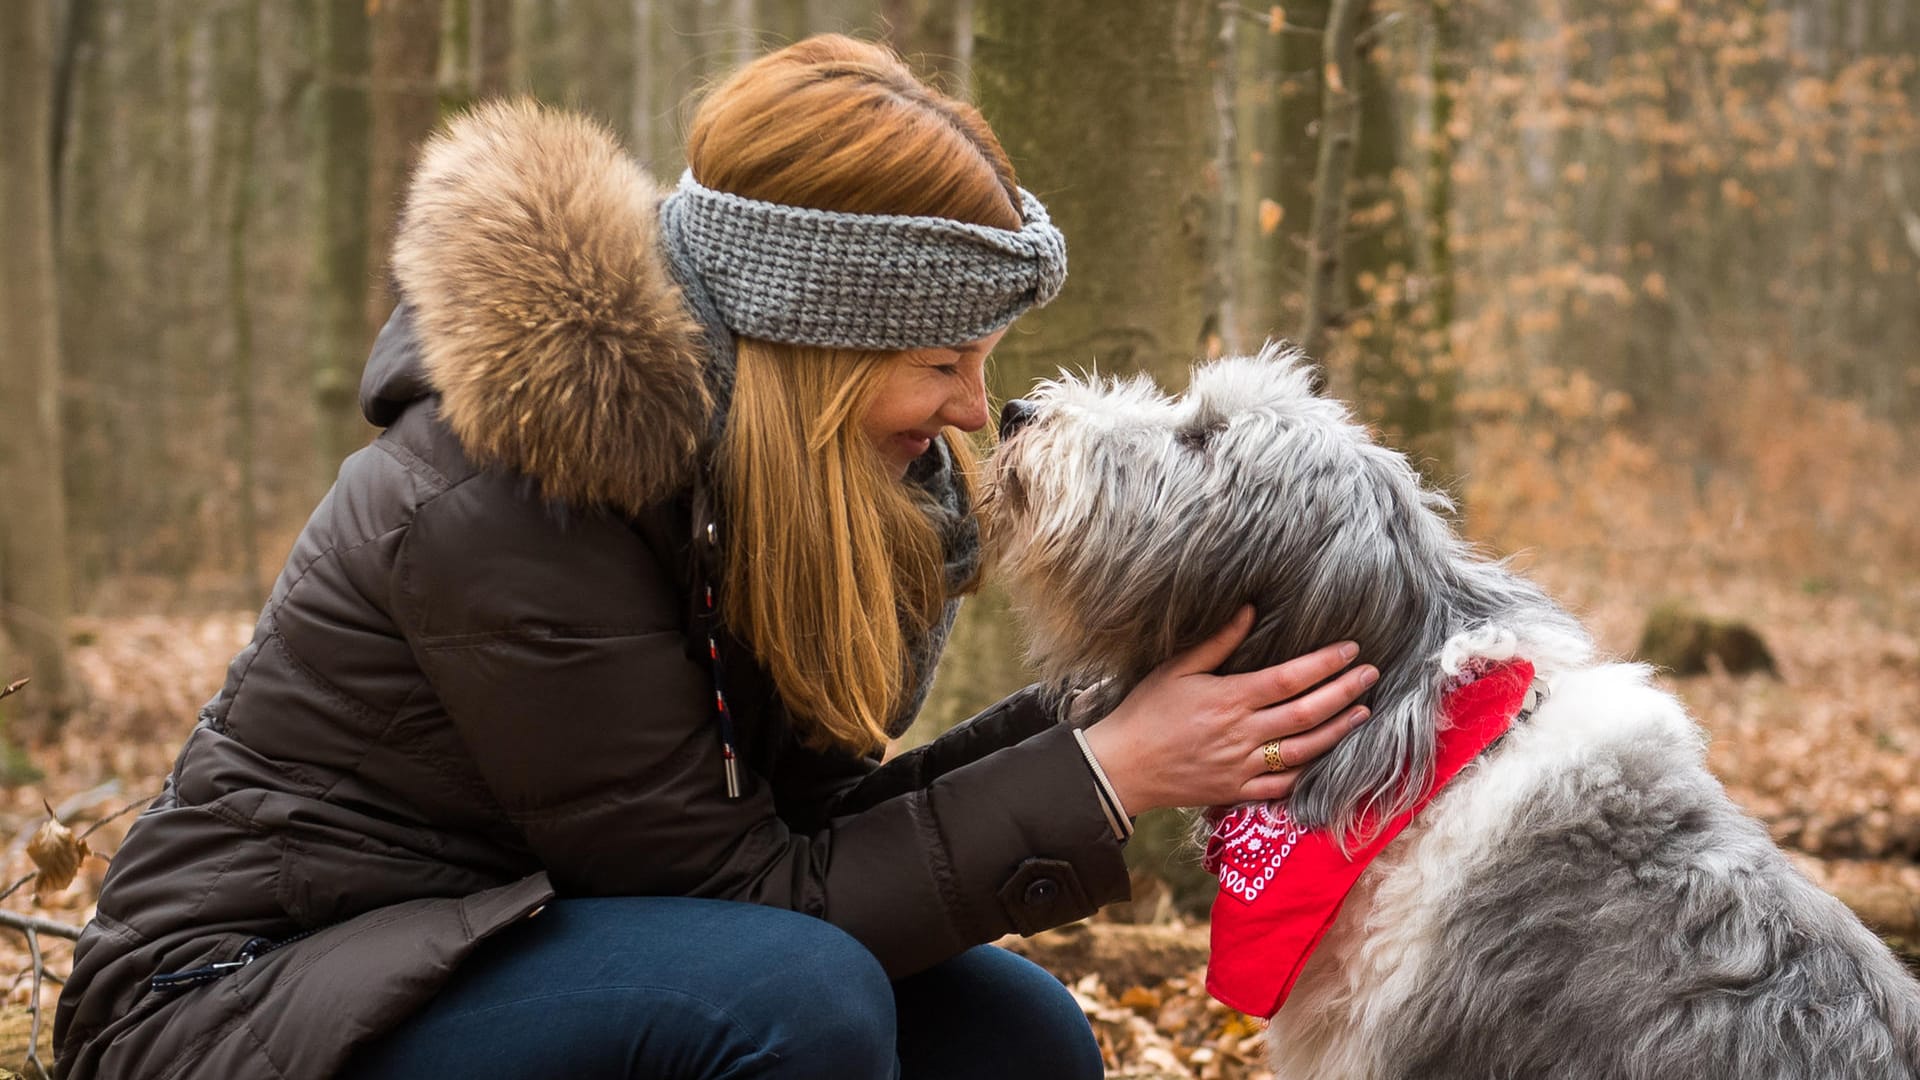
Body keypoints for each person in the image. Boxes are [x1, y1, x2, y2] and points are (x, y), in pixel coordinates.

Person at [53, 35, 1376, 1080]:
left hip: (501, 936)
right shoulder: (512, 497)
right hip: (244, 1004)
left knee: (1014, 1036)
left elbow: (775, 835)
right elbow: (742, 896)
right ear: (813, 351)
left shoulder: (752, 483)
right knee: (796, 1006)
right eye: (940, 365)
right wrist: (1107, 772)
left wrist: (1106, 725)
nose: (980, 411)